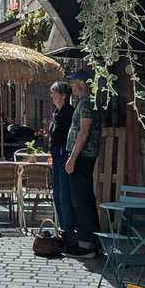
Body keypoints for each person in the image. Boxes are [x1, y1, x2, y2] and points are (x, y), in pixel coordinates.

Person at [63, 71, 103, 258]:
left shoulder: (87, 103)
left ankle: (86, 244)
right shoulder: (87, 102)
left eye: (73, 84)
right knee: (85, 197)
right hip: (83, 156)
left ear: (82, 84)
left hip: (82, 156)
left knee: (81, 199)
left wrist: (72, 158)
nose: (71, 87)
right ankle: (94, 241)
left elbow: (83, 133)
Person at [45, 81, 75, 235]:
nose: (52, 96)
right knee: (56, 192)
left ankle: (68, 228)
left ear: (64, 95)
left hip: (64, 152)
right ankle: (63, 226)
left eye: (54, 93)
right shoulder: (56, 111)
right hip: (56, 153)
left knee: (64, 192)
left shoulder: (69, 112)